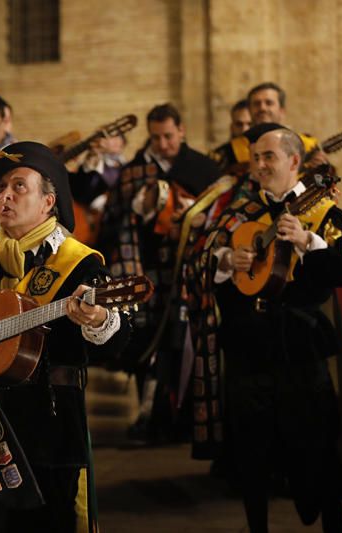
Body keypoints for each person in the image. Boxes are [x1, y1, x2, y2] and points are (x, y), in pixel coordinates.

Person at [0, 141, 132, 531]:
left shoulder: (78, 262)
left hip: (51, 426)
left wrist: (96, 317)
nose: (4, 196)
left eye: (18, 186)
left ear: (49, 202)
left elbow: (119, 341)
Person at [209, 128, 342, 532]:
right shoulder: (242, 213)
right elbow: (209, 267)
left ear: (294, 162)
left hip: (300, 349)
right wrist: (226, 261)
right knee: (252, 454)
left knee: (317, 450)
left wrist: (307, 240)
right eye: (255, 158)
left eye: (269, 157)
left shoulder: (321, 211)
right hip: (249, 348)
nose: (261, 165)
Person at [99, 103, 220, 442]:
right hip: (146, 270)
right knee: (147, 343)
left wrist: (196, 220)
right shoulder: (134, 171)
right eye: (155, 137)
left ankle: (186, 421)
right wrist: (137, 213)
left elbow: (221, 218)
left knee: (185, 343)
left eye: (168, 135)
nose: (163, 143)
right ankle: (151, 417)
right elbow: (113, 219)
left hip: (189, 271)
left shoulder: (204, 167)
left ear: (181, 131)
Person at [209, 99, 251, 173]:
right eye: (239, 124)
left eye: (250, 124)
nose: (245, 129)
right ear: (232, 127)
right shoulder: (219, 155)